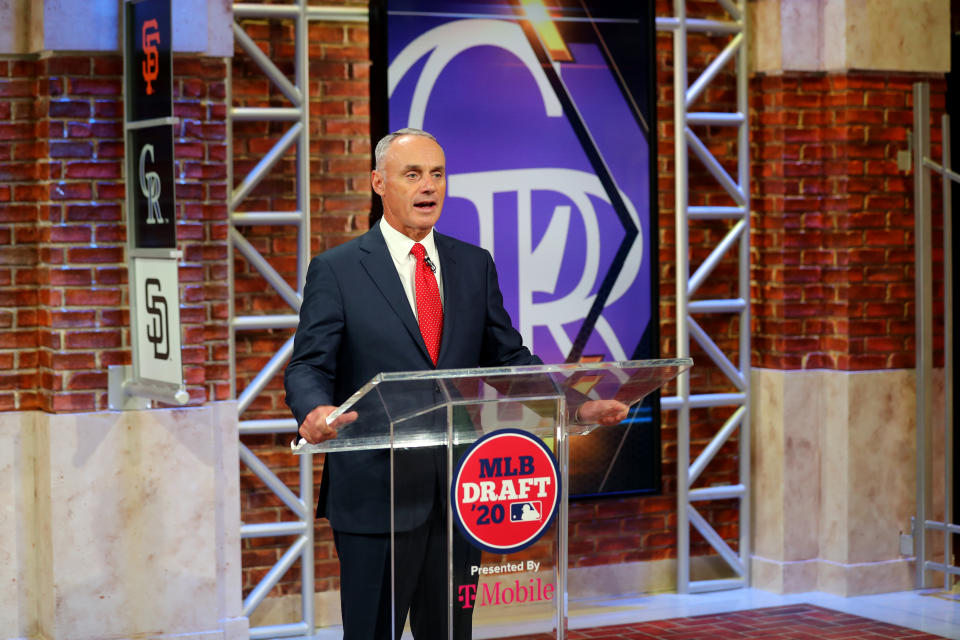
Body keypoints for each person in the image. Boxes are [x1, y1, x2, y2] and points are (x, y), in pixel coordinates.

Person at [285, 128, 629, 639]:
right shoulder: (336, 271)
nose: (430, 186)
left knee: (450, 631)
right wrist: (314, 411)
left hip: (459, 492)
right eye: (413, 174)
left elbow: (510, 361)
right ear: (379, 182)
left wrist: (576, 407)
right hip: (376, 493)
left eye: (438, 174)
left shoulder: (473, 264)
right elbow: (308, 365)